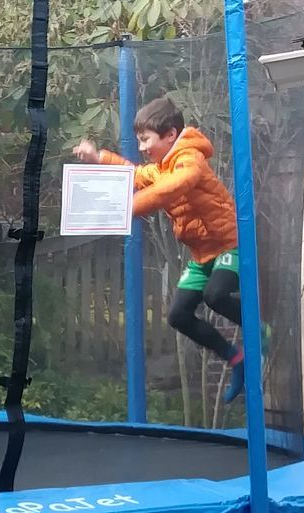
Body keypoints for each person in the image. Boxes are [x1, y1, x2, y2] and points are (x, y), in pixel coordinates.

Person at [73, 94, 251, 402]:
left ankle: (260, 329)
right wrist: (98, 157)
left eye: (145, 140)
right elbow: (137, 174)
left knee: (215, 296)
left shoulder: (188, 157)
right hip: (201, 255)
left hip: (229, 244)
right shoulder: (161, 166)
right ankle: (237, 360)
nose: (141, 147)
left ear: (170, 135)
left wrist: (128, 207)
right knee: (179, 316)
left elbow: (176, 186)